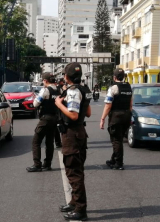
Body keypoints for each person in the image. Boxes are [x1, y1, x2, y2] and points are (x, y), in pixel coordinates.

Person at [55, 63, 91, 221]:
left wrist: (58, 104)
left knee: (73, 171)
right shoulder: (84, 90)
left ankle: (80, 210)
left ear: (67, 77)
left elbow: (74, 115)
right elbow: (88, 112)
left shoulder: (73, 92)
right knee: (77, 169)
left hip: (72, 134)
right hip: (80, 133)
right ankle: (74, 202)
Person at [100, 68, 133, 170]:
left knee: (116, 140)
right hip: (127, 115)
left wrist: (102, 119)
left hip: (116, 116)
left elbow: (108, 105)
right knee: (118, 138)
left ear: (114, 77)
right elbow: (131, 104)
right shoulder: (129, 87)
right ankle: (113, 159)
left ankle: (119, 163)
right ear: (123, 77)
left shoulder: (113, 88)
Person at [26, 73, 60, 172]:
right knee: (49, 142)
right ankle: (47, 164)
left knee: (36, 141)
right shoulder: (59, 90)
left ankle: (37, 164)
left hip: (45, 118)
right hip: (55, 118)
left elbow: (35, 103)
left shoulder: (45, 90)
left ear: (45, 81)